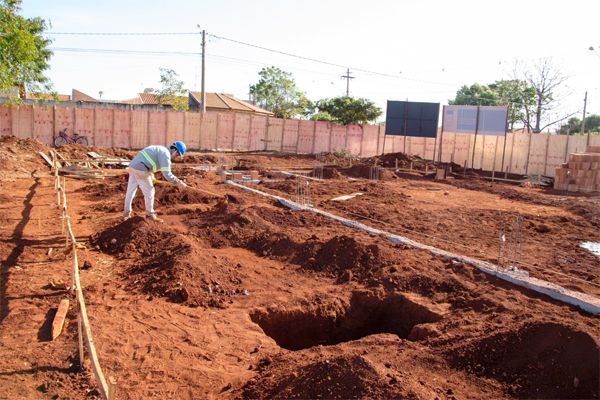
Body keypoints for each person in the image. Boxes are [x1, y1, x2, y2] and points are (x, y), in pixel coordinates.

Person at [123, 141, 188, 222]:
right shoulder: (166, 155)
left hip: (133, 167)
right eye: (178, 154)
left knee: (131, 191)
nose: (176, 156)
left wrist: (150, 174)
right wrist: (178, 182)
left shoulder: (160, 149)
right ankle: (150, 214)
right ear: (175, 151)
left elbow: (150, 161)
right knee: (150, 191)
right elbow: (167, 174)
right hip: (141, 168)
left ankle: (126, 214)